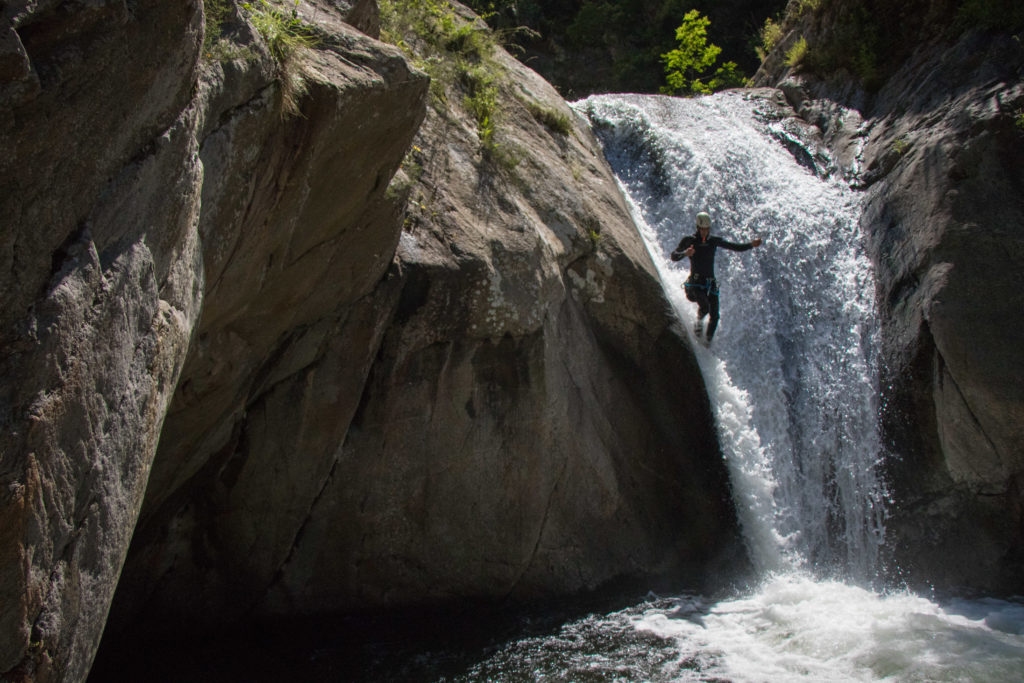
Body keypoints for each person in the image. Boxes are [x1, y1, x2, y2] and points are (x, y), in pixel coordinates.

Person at [670, 211, 762, 345]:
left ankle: (707, 343)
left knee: (715, 316)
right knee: (705, 307)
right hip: (695, 285)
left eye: (707, 229)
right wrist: (685, 253)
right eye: (702, 229)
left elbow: (734, 247)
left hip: (710, 282)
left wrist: (751, 245)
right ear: (697, 228)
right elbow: (673, 256)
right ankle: (698, 323)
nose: (704, 232)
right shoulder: (689, 241)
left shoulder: (713, 241)